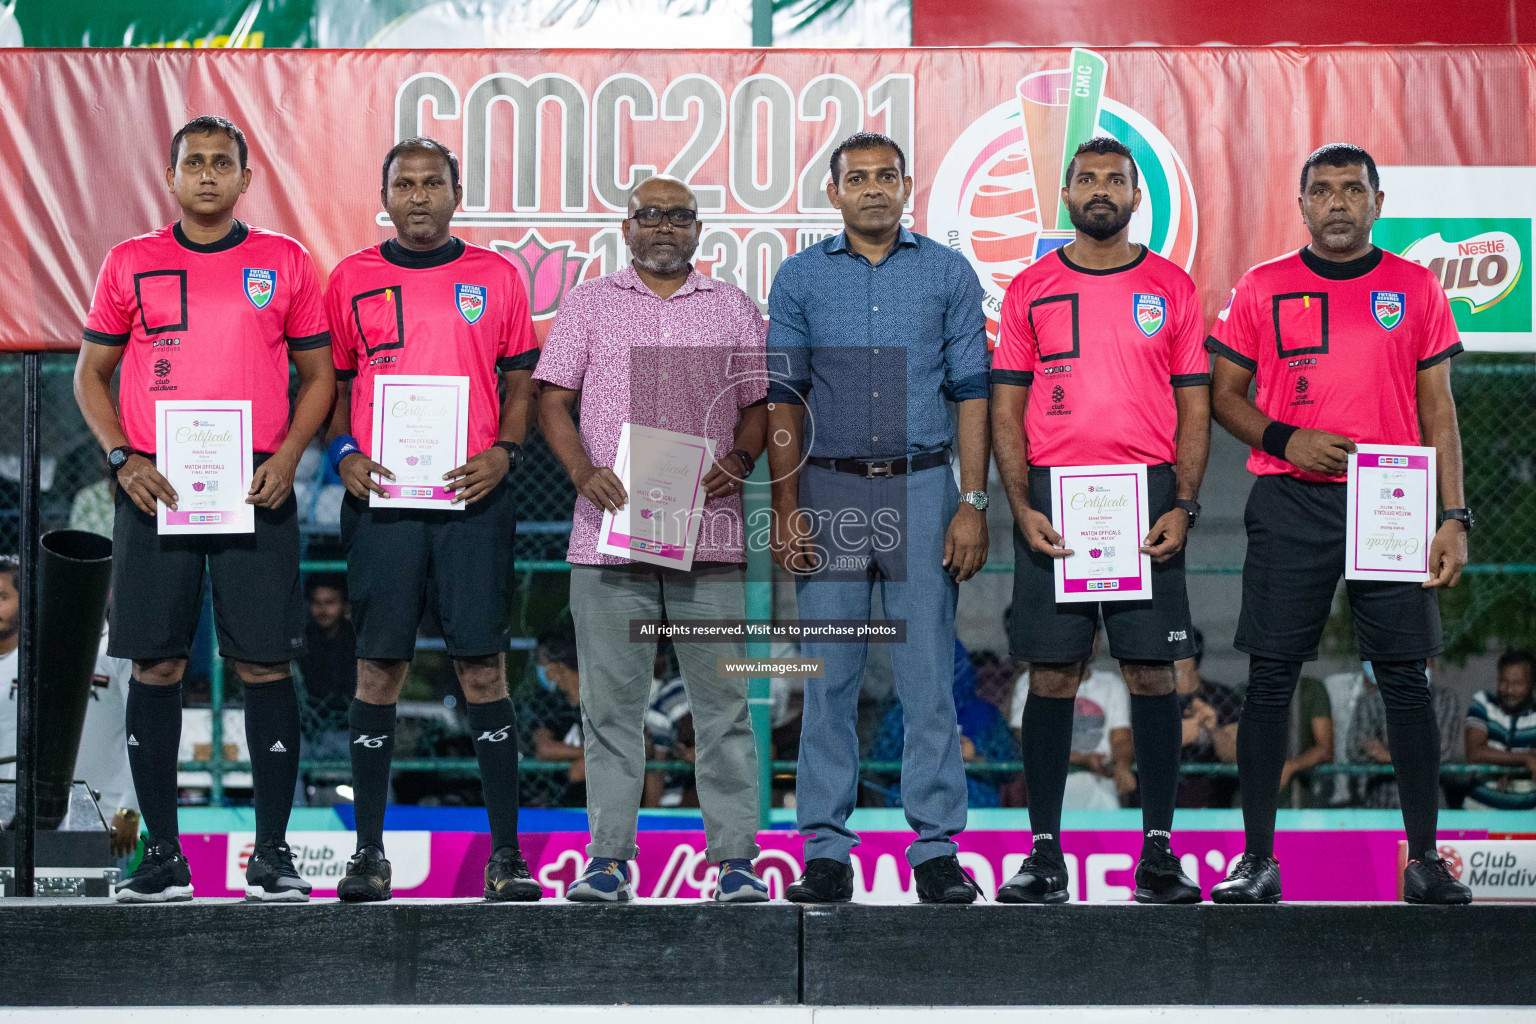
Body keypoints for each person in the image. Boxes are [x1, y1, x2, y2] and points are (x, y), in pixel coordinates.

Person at [73, 115, 334, 902]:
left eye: (224, 163)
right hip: (159, 484)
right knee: (156, 663)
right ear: (173, 176)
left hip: (258, 481)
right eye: (195, 162)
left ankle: (274, 856)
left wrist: (289, 458)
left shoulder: (284, 262)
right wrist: (124, 458)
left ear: (246, 179)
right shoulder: (130, 262)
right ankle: (161, 857)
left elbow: (319, 376)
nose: (209, 175)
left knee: (263, 662)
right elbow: (92, 376)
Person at [1206, 143, 1472, 905]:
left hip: (1391, 498)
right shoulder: (1263, 287)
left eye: (1352, 190)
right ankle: (1258, 860)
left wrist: (1453, 517)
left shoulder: (1415, 288)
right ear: (1302, 206)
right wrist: (1286, 438)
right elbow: (1225, 395)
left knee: (1407, 681)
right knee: (1270, 680)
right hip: (1291, 497)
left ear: (1377, 203)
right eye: (1321, 191)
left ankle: (1424, 859)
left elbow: (1438, 411)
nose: (1337, 203)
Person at [766, 131, 991, 905]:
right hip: (826, 491)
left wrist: (973, 500)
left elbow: (973, 393)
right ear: (834, 193)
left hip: (923, 487)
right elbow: (784, 399)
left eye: (885, 176)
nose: (871, 188)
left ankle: (935, 851)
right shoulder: (799, 278)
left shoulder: (946, 272)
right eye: (856, 178)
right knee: (829, 678)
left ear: (906, 186)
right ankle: (825, 851)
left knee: (927, 678)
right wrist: (787, 506)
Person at [536, 174, 769, 903]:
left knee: (723, 707)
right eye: (650, 214)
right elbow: (551, 399)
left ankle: (735, 863)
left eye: (679, 216)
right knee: (609, 708)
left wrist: (740, 457)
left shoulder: (731, 306)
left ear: (699, 231)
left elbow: (761, 403)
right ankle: (607, 861)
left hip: (711, 537)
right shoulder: (591, 304)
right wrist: (582, 471)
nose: (664, 226)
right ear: (626, 227)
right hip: (609, 535)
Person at [990, 138, 1209, 904]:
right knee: (1053, 674)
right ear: (1067, 193)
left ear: (1136, 196)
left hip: (1147, 495)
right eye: (1087, 178)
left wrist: (1182, 503)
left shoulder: (1172, 288)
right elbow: (1007, 412)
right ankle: (1044, 855)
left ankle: (1157, 854)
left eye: (1116, 179)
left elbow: (1194, 409)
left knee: (1152, 674)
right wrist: (1020, 507)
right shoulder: (1030, 289)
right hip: (1055, 496)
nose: (1101, 190)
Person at [324, 137, 541, 902]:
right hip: (382, 499)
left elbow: (520, 381)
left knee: (482, 665)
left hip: (471, 498)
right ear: (385, 195)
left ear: (457, 192)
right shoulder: (350, 278)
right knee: (377, 667)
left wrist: (507, 451)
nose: (418, 197)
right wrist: (344, 452)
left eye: (432, 183)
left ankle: (507, 856)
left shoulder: (496, 277)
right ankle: (369, 855)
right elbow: (332, 387)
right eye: (404, 185)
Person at [0, 557, 141, 856]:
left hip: (105, 812)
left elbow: (146, 730)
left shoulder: (118, 650)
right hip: (25, 814)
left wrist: (130, 807)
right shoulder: (26, 654)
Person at [869, 640, 1020, 808]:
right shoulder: (904, 713)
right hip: (914, 805)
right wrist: (924, 753)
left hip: (974, 808)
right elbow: (881, 765)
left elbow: (1008, 769)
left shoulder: (984, 715)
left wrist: (973, 760)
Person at [1351, 660, 1462, 808]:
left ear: (1432, 664)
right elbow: (1356, 749)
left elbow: (1440, 752)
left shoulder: (1445, 700)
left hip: (1428, 807)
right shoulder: (1371, 701)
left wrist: (1388, 756)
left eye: (1423, 662)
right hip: (1380, 806)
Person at [1174, 629, 1242, 808]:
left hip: (1216, 802)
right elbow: (1132, 751)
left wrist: (1213, 730)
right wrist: (1173, 738)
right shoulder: (1152, 701)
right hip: (1163, 801)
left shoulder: (1223, 698)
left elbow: (1236, 756)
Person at [519, 628, 586, 807]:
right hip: (560, 800)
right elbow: (545, 749)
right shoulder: (547, 703)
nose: (540, 669)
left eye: (543, 662)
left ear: (559, 667)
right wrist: (594, 757)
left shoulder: (603, 699)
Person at [1463, 650, 1536, 810]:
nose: (1509, 690)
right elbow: (1475, 752)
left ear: (1532, 684)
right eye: (1503, 681)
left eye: (1517, 684)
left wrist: (1506, 765)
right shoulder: (1483, 703)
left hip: (1526, 818)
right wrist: (1525, 758)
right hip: (1478, 811)